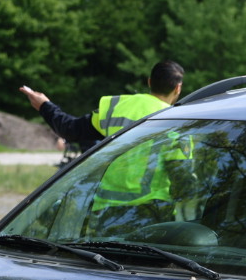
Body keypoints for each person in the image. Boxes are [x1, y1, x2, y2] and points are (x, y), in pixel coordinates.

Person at [19, 61, 187, 225]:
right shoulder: (178, 121)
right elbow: (183, 180)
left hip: (107, 213)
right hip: (152, 216)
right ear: (178, 87)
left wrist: (44, 105)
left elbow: (70, 129)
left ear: (149, 81)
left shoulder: (116, 107)